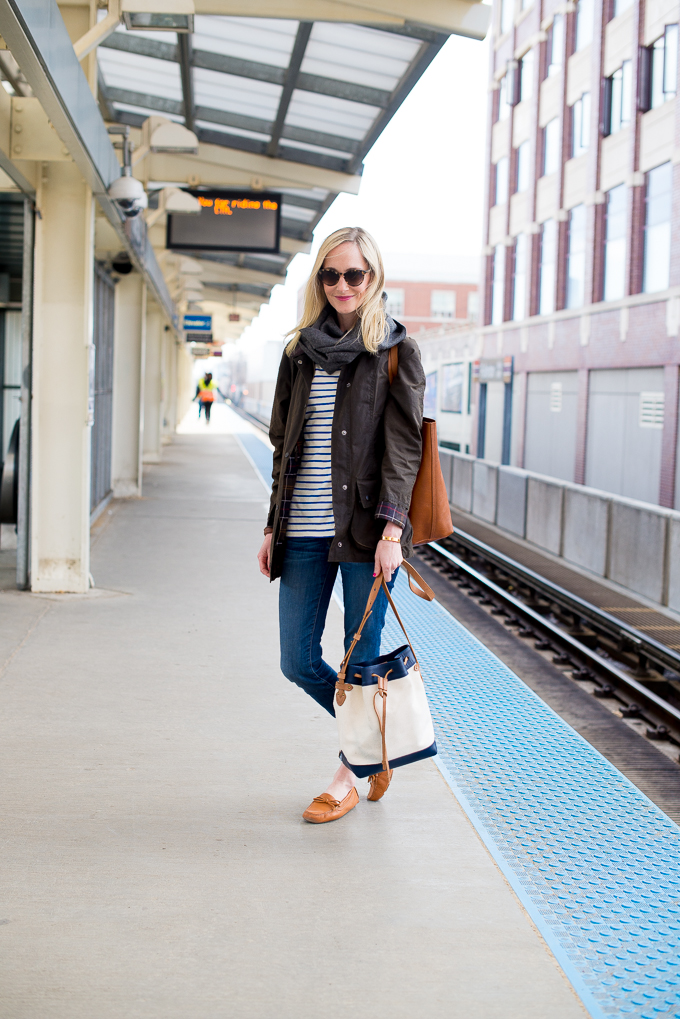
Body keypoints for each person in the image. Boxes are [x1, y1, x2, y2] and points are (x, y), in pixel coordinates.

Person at [256, 226, 425, 824]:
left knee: (361, 663)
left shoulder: (395, 350)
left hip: (363, 532)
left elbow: (404, 450)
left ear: (373, 277)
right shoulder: (299, 350)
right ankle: (373, 746)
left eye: (354, 274)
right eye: (330, 274)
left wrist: (392, 534)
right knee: (297, 659)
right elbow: (284, 445)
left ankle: (347, 775)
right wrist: (273, 526)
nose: (342, 285)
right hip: (301, 529)